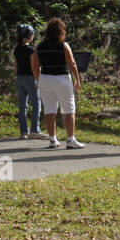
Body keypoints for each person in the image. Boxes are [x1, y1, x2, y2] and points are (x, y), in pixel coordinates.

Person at [32, 17, 84, 149]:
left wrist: (39, 78)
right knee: (68, 109)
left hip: (45, 78)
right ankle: (70, 139)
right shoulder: (63, 45)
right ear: (61, 31)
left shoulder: (40, 46)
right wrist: (77, 78)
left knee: (49, 110)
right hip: (62, 78)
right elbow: (71, 63)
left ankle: (52, 139)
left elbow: (35, 65)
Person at [13, 24, 45, 140]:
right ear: (29, 36)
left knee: (22, 105)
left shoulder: (16, 49)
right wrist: (39, 80)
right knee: (36, 104)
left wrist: (18, 76)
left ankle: (23, 132)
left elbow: (16, 66)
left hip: (20, 78)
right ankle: (34, 130)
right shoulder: (31, 50)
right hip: (30, 78)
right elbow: (35, 67)